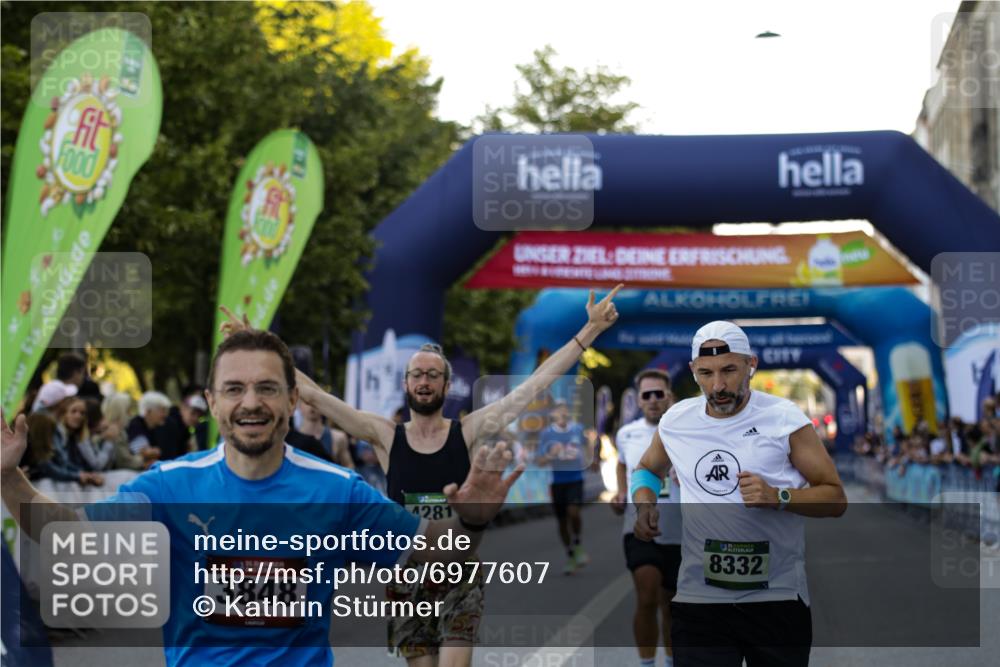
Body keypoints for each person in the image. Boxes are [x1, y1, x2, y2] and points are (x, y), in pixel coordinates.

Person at [1, 327, 524, 667]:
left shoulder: (336, 491)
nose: (251, 403)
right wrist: (7, 478)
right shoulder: (168, 487)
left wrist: (471, 523)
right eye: (234, 389)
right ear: (211, 402)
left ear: (293, 399)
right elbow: (66, 530)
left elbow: (435, 564)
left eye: (268, 388)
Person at [222, 284, 622, 667]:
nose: (424, 381)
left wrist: (590, 329)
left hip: (459, 571)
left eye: (433, 375)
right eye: (417, 375)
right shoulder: (382, 435)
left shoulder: (468, 431)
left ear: (447, 385)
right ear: (406, 384)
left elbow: (533, 386)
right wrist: (257, 345)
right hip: (407, 572)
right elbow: (312, 395)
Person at [631, 321, 847, 667]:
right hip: (700, 600)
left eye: (729, 370)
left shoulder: (784, 419)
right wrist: (644, 505)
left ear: (751, 365)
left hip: (775, 598)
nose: (718, 385)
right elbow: (646, 469)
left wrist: (779, 496)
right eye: (706, 373)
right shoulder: (676, 421)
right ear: (692, 371)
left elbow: (836, 498)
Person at [612, 369, 680, 667]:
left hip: (682, 533)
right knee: (648, 595)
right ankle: (647, 663)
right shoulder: (627, 433)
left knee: (672, 605)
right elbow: (622, 464)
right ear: (639, 401)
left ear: (670, 397)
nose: (653, 400)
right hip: (639, 529)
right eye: (646, 395)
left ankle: (670, 660)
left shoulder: (687, 432)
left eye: (659, 394)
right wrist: (621, 492)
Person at [535, 400, 593, 574]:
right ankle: (570, 554)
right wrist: (551, 454)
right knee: (561, 521)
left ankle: (577, 543)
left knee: (573, 512)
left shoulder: (577, 429)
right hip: (558, 482)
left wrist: (591, 458)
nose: (562, 412)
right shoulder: (547, 434)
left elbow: (587, 443)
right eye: (558, 410)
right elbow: (539, 461)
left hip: (576, 478)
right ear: (552, 415)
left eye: (564, 408)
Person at [152, 393, 208, 460]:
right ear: (183, 408)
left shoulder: (185, 429)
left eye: (199, 416)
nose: (195, 418)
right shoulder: (169, 424)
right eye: (193, 413)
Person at [101, 392, 145, 470]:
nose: (130, 414)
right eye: (128, 410)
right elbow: (124, 462)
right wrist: (144, 460)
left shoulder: (119, 430)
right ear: (120, 411)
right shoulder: (113, 431)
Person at [126, 391, 169, 464]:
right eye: (162, 410)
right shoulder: (136, 425)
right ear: (148, 411)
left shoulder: (155, 427)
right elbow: (141, 452)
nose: (165, 415)